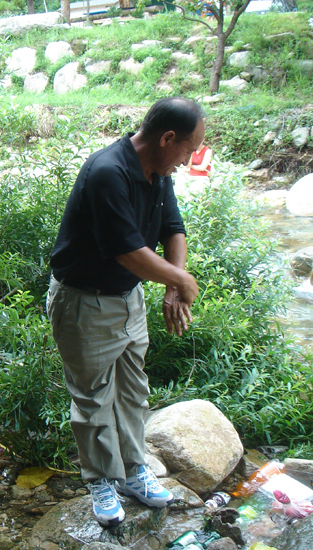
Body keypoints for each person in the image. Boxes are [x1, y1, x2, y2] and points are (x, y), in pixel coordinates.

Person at [46, 97, 203, 527]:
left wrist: (175, 279)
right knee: (93, 395)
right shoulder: (107, 172)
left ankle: (134, 472)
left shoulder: (158, 172)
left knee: (133, 390)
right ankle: (100, 478)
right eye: (189, 149)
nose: (189, 160)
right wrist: (181, 282)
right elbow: (128, 253)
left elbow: (173, 228)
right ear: (167, 138)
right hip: (84, 301)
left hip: (128, 299)